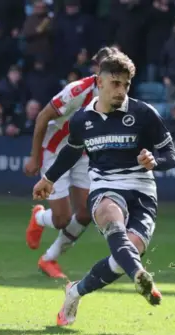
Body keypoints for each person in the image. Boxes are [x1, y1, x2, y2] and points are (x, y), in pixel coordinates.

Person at [32, 53, 175, 326]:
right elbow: (71, 152)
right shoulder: (81, 120)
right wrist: (48, 178)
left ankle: (74, 291)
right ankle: (140, 275)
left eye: (125, 84)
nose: (120, 91)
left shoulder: (144, 114)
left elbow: (172, 156)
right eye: (115, 83)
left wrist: (155, 162)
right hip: (104, 186)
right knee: (111, 217)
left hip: (143, 190)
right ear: (99, 82)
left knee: (127, 251)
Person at [24, 47, 119, 278]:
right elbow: (43, 116)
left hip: (82, 154)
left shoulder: (118, 96)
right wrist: (35, 156)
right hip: (55, 151)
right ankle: (38, 217)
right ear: (97, 69)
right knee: (62, 219)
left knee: (87, 212)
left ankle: (49, 259)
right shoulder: (78, 90)